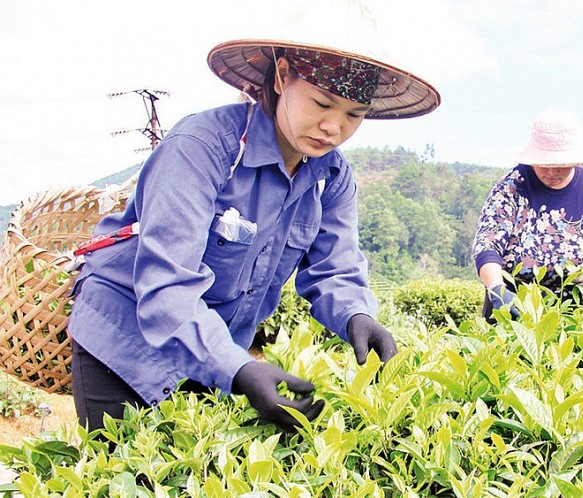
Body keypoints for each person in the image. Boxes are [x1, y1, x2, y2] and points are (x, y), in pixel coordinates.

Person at [66, 2, 440, 432]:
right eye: (322, 103)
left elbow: (335, 268)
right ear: (282, 76)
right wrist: (239, 370)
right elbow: (167, 284)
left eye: (354, 115)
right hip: (124, 343)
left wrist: (358, 316)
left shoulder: (330, 177)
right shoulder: (202, 148)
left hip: (215, 350)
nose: (333, 127)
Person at [471, 109, 583, 321]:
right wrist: (496, 288)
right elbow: (487, 246)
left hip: (579, 316)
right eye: (544, 164)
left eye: (560, 166)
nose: (551, 173)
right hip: (517, 310)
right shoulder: (511, 188)